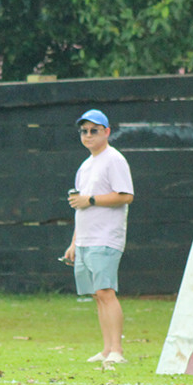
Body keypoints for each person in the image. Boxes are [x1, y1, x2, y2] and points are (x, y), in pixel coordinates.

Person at [61, 109, 134, 365]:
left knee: (106, 291)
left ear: (107, 132)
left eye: (94, 130)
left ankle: (117, 350)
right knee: (97, 294)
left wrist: (90, 199)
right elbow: (80, 206)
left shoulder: (114, 160)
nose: (89, 135)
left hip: (106, 237)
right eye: (84, 131)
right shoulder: (85, 166)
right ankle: (106, 349)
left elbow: (126, 195)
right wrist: (73, 243)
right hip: (85, 240)